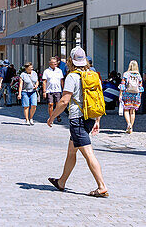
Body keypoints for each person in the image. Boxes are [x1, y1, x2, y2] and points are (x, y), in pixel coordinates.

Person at [46, 47, 109, 197]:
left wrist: (52, 116)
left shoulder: (72, 77)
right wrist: (97, 120)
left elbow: (64, 101)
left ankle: (101, 186)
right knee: (71, 151)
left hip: (77, 120)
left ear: (71, 61)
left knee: (88, 154)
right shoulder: (94, 75)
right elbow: (99, 99)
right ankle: (61, 181)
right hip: (90, 118)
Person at [120, 60, 143, 134]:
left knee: (126, 110)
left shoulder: (126, 74)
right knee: (132, 111)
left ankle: (128, 124)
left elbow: (122, 85)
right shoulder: (138, 75)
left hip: (127, 94)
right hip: (135, 95)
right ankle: (131, 127)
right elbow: (140, 87)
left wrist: (120, 94)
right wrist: (139, 96)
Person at [42, 57, 65, 124]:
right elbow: (44, 81)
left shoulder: (59, 71)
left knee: (58, 104)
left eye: (56, 63)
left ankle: (57, 115)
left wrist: (63, 90)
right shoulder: (46, 71)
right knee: (50, 104)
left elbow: (61, 81)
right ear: (50, 64)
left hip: (58, 90)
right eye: (53, 63)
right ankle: (51, 117)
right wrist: (44, 91)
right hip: (49, 90)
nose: (55, 65)